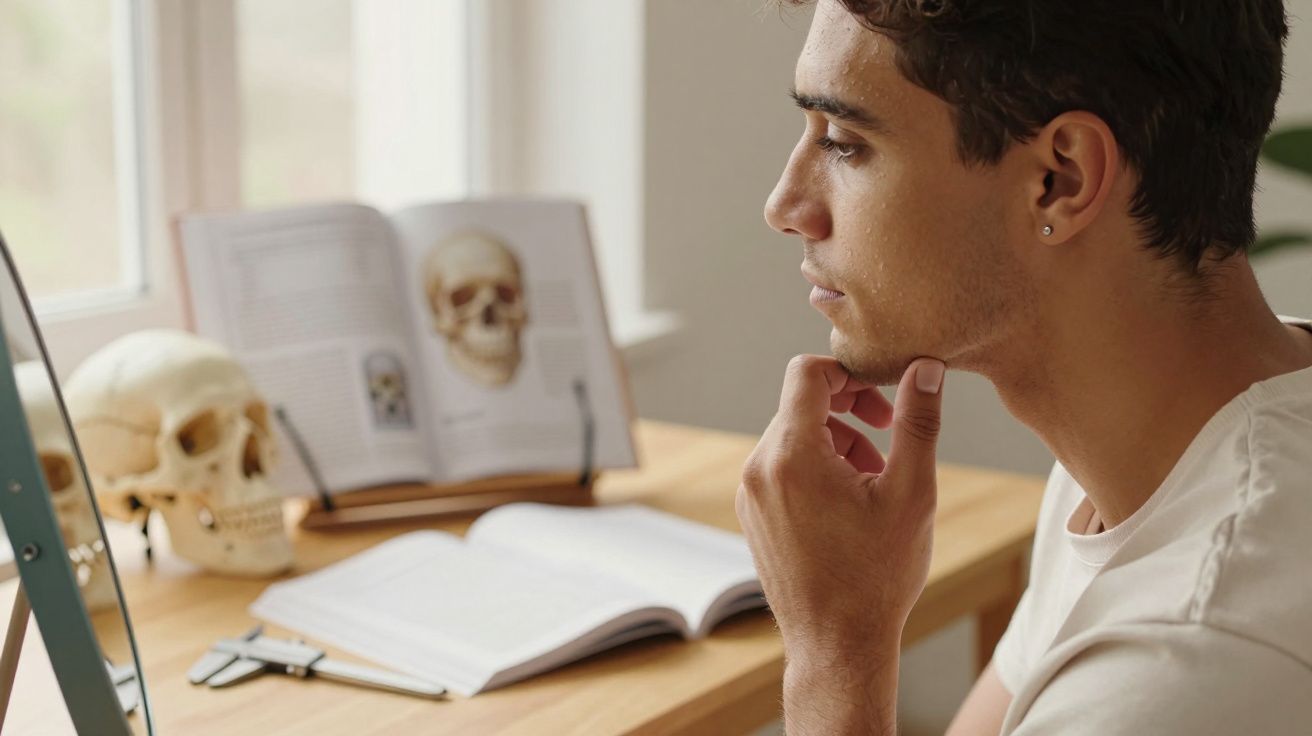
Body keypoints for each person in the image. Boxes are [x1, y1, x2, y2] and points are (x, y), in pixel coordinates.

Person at [736, 0, 1312, 733]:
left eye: (845, 142)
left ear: (1059, 180)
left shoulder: (1199, 651)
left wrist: (833, 654)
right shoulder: (1139, 459)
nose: (786, 205)